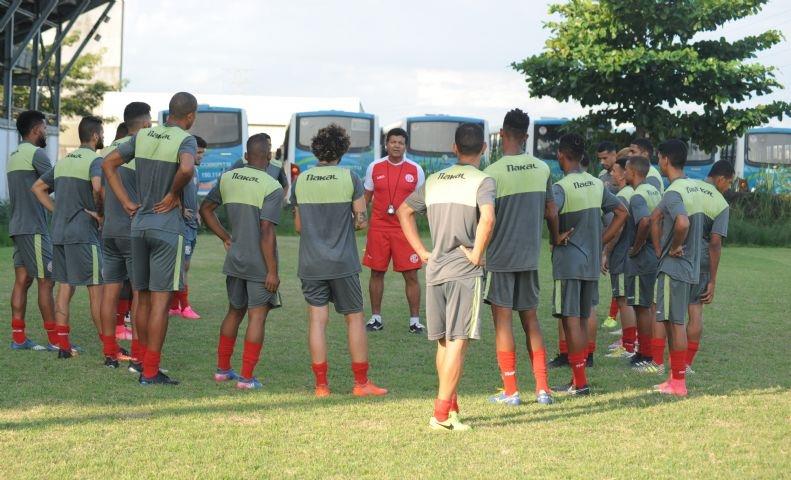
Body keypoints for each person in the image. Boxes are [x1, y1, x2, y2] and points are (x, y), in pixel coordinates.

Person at [398, 122, 495, 431]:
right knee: (458, 341)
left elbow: (403, 211)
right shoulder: (484, 180)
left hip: (436, 269)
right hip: (464, 272)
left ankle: (450, 408)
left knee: (443, 343)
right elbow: (489, 219)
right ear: (483, 149)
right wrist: (477, 254)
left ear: (454, 148)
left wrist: (422, 251)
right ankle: (441, 415)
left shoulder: (435, 180)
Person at [102, 91, 198, 385]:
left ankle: (140, 360)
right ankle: (152, 371)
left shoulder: (144, 136)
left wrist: (126, 202)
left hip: (138, 225)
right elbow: (186, 167)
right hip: (167, 228)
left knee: (140, 298)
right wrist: (173, 194)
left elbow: (108, 164)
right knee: (160, 303)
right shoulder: (186, 139)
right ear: (190, 116)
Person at [291, 123, 387, 398]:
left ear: (317, 150)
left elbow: (298, 227)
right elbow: (360, 222)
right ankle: (361, 383)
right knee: (355, 319)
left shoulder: (302, 181)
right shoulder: (350, 178)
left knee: (317, 322)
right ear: (342, 150)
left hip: (310, 263)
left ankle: (321, 386)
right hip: (343, 263)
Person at [482, 109, 564, 406]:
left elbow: (485, 218)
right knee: (531, 321)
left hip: (500, 259)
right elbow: (552, 211)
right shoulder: (542, 168)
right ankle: (543, 389)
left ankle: (511, 391)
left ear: (501, 134)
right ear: (526, 136)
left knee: (503, 323)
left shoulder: (492, 173)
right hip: (529, 258)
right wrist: (555, 239)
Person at [200, 133, 284, 389]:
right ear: (268, 157)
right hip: (260, 263)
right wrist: (272, 271)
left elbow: (206, 209)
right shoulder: (272, 186)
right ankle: (247, 378)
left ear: (246, 156)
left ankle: (223, 370)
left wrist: (226, 237)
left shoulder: (228, 178)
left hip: (235, 259)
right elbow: (266, 230)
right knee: (257, 317)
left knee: (234, 312)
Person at [551, 133, 627, 396]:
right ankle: (578, 380)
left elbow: (550, 211)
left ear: (562, 155)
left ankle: (580, 382)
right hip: (591, 264)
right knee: (584, 318)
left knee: (570, 319)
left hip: (569, 262)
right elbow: (622, 212)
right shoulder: (597, 184)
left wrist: (554, 235)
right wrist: (600, 240)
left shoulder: (561, 187)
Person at [31, 116, 106, 360]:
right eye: (102, 133)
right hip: (83, 234)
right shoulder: (95, 159)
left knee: (64, 288)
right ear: (95, 136)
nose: (102, 137)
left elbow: (38, 188)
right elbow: (97, 187)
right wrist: (101, 213)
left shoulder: (63, 162)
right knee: (96, 290)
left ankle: (64, 347)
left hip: (59, 233)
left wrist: (57, 211)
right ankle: (110, 349)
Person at [649, 139, 704, 397]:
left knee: (676, 323)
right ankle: (673, 378)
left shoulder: (674, 192)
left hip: (675, 267)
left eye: (659, 158)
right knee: (673, 321)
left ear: (665, 160)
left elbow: (682, 222)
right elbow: (656, 216)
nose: (658, 162)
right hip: (690, 266)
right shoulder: (693, 188)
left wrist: (671, 248)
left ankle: (679, 383)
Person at [99, 102, 152, 370]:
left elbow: (99, 191)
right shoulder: (141, 151)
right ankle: (139, 355)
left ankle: (110, 352)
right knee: (140, 294)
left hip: (108, 230)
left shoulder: (107, 152)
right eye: (150, 122)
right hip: (133, 231)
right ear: (144, 125)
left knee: (109, 292)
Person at [362, 127, 425, 333]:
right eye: (393, 142)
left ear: (405, 146)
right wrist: (359, 218)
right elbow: (366, 199)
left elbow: (423, 202)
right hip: (379, 228)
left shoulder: (415, 170)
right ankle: (376, 318)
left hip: (405, 230)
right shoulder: (374, 167)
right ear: (386, 144)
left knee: (411, 276)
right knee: (376, 272)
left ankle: (415, 321)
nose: (396, 145)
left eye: (400, 142)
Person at [6, 111, 56, 351]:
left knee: (22, 281)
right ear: (36, 130)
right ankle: (56, 340)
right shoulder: (37, 154)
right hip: (34, 228)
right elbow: (57, 182)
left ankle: (18, 338)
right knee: (47, 282)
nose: (46, 132)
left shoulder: (14, 154)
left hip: (17, 226)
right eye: (45, 128)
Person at [686, 160, 733, 371]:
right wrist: (712, 280)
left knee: (667, 312)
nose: (729, 188)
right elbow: (715, 243)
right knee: (695, 311)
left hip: (676, 257)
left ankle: (658, 360)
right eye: (729, 183)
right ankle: (685, 364)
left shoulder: (687, 187)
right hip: (701, 262)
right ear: (721, 179)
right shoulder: (721, 203)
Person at [621, 156, 663, 373]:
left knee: (641, 307)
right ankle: (646, 351)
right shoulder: (655, 191)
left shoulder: (637, 196)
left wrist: (636, 247)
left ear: (633, 172)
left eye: (626, 169)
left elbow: (645, 221)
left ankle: (645, 353)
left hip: (642, 259)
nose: (623, 173)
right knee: (646, 305)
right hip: (654, 257)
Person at [602, 157, 639, 363]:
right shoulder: (633, 192)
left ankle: (628, 345)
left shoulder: (623, 196)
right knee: (628, 300)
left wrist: (606, 250)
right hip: (631, 257)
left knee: (624, 301)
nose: (613, 174)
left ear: (625, 173)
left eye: (616, 171)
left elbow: (619, 228)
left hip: (623, 256)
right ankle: (630, 342)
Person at [169, 135, 206, 319]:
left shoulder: (196, 172)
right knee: (182, 265)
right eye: (199, 152)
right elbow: (171, 191)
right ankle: (184, 306)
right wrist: (181, 208)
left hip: (192, 225)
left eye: (202, 153)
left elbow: (193, 194)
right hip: (181, 225)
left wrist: (197, 210)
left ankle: (175, 305)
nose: (201, 156)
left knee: (185, 266)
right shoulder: (182, 170)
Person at [596, 141, 621, 329]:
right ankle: (613, 317)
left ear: (614, 154)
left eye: (606, 157)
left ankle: (615, 319)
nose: (603, 162)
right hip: (608, 234)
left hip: (620, 234)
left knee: (621, 280)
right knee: (615, 278)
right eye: (600, 159)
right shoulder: (601, 177)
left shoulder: (624, 173)